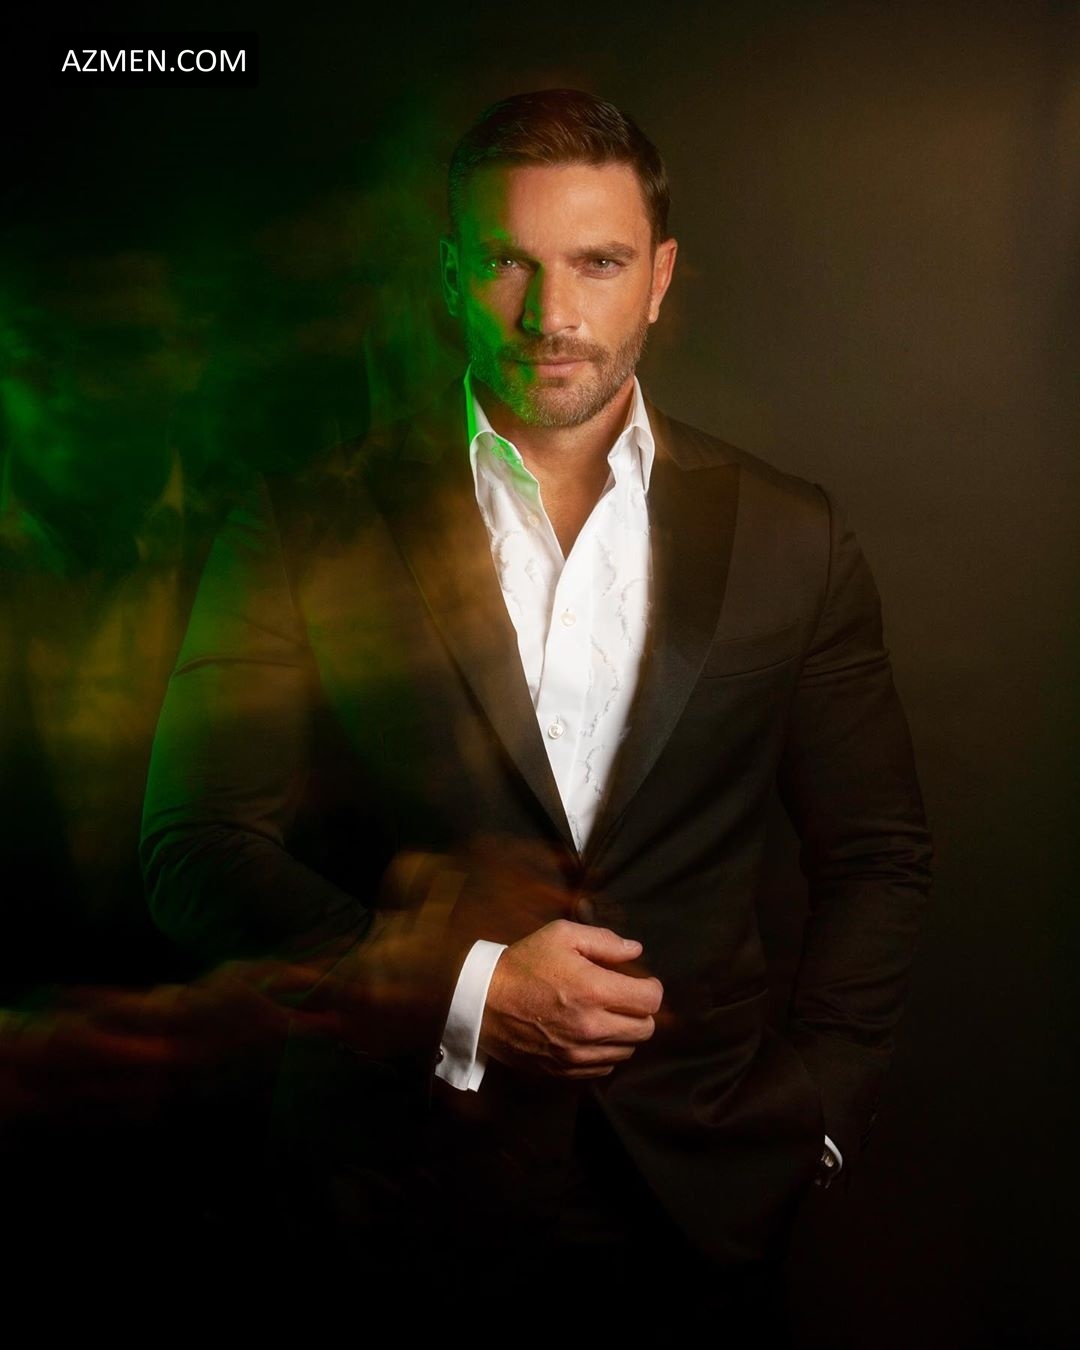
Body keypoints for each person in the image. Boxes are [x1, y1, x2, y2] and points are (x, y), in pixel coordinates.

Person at [141, 89, 932, 1336]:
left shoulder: (794, 535)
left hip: (705, 1202)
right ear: (451, 274)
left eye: (598, 263)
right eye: (509, 261)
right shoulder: (299, 525)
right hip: (390, 1201)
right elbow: (194, 851)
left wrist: (817, 1115)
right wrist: (465, 988)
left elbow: (877, 851)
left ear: (659, 278)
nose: (551, 315)